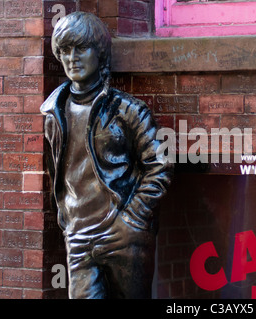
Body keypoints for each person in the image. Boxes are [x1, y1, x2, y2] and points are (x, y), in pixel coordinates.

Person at [41, 11, 173, 299]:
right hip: (78, 239)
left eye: (80, 48)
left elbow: (160, 168)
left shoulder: (128, 111)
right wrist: (67, 222)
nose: (71, 58)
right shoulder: (53, 114)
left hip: (123, 236)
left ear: (99, 53)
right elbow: (57, 173)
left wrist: (131, 220)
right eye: (64, 50)